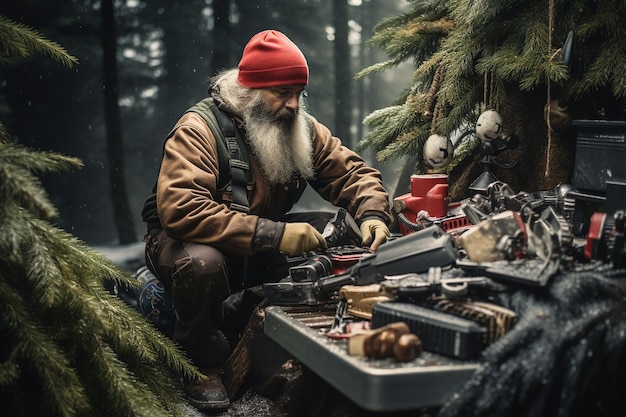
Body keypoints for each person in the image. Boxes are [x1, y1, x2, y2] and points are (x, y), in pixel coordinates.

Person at [141, 29, 392, 410]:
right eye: (282, 92)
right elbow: (181, 209)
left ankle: (258, 321)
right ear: (251, 90)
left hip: (256, 243)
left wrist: (372, 213)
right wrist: (274, 234)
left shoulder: (300, 126)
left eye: (298, 93)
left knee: (340, 235)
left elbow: (352, 173)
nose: (293, 104)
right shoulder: (198, 130)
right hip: (190, 243)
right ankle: (200, 360)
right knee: (201, 264)